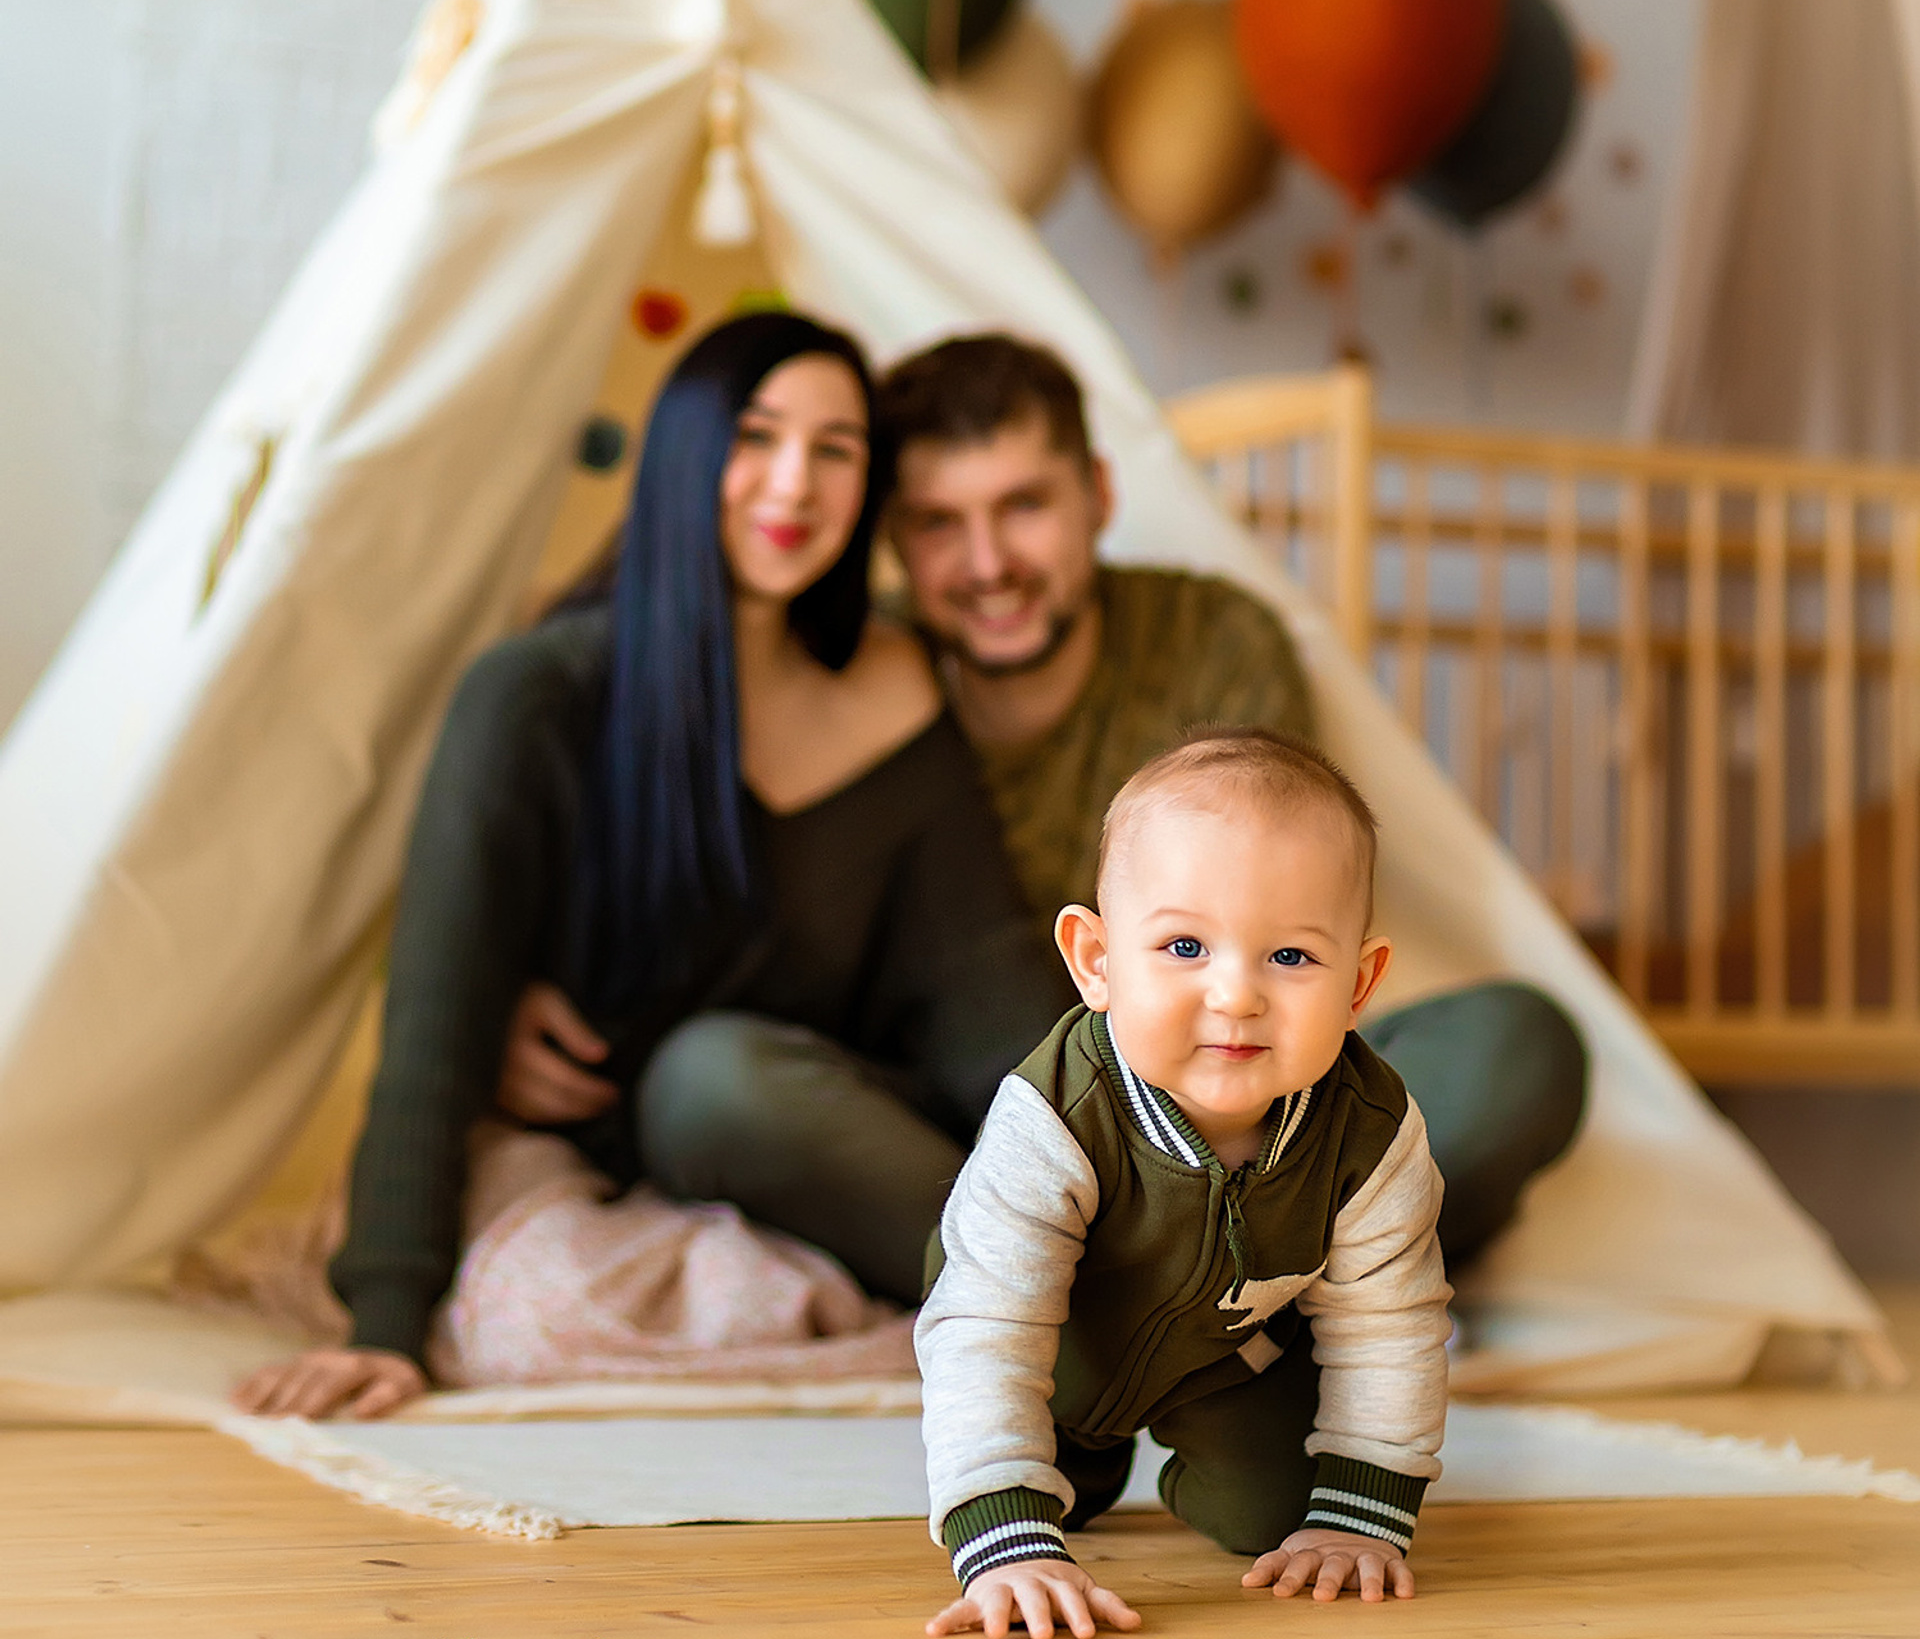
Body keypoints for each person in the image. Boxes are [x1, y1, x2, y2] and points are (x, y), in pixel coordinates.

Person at [234, 312, 1067, 1421]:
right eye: (755, 437)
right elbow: (432, 1032)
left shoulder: (897, 685)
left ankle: (1090, 1295)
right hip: (630, 1156)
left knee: (729, 1081)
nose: (794, 484)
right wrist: (384, 1322)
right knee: (692, 1098)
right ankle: (1076, 1319)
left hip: (840, 1139)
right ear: (682, 451)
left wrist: (1139, 1165)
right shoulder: (536, 696)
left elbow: (988, 1003)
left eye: (836, 450)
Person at [874, 334, 1587, 1273]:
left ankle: (1167, 1285)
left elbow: (1274, 952)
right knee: (722, 1083)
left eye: (1024, 506)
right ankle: (1193, 1287)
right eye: (937, 523)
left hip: (1240, 1119)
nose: (988, 562)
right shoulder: (869, 677)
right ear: (891, 539)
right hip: (985, 1133)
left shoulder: (1216, 641)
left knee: (1520, 1046)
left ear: (1098, 495)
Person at [919, 731, 1449, 1638]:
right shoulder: (1054, 1116)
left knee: (1278, 1517)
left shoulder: (1371, 1133)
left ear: (1360, 984)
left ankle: (1194, 1464)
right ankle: (1072, 1458)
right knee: (1040, 1483)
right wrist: (1007, 1541)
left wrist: (1362, 1519)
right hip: (1058, 1346)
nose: (1236, 995)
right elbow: (988, 1327)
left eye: (1291, 958)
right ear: (1096, 961)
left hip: (1224, 1359)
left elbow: (1388, 1325)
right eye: (1185, 945)